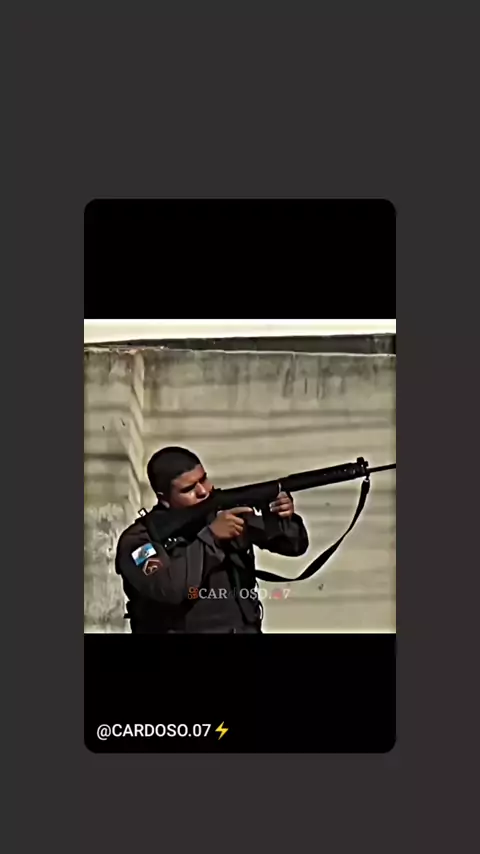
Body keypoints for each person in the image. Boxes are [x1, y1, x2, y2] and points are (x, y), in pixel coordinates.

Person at [115, 446, 309, 633]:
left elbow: (294, 546)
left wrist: (281, 518)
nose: (203, 491)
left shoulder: (222, 514)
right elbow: (169, 588)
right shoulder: (140, 540)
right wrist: (211, 537)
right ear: (163, 498)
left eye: (204, 479)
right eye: (188, 489)